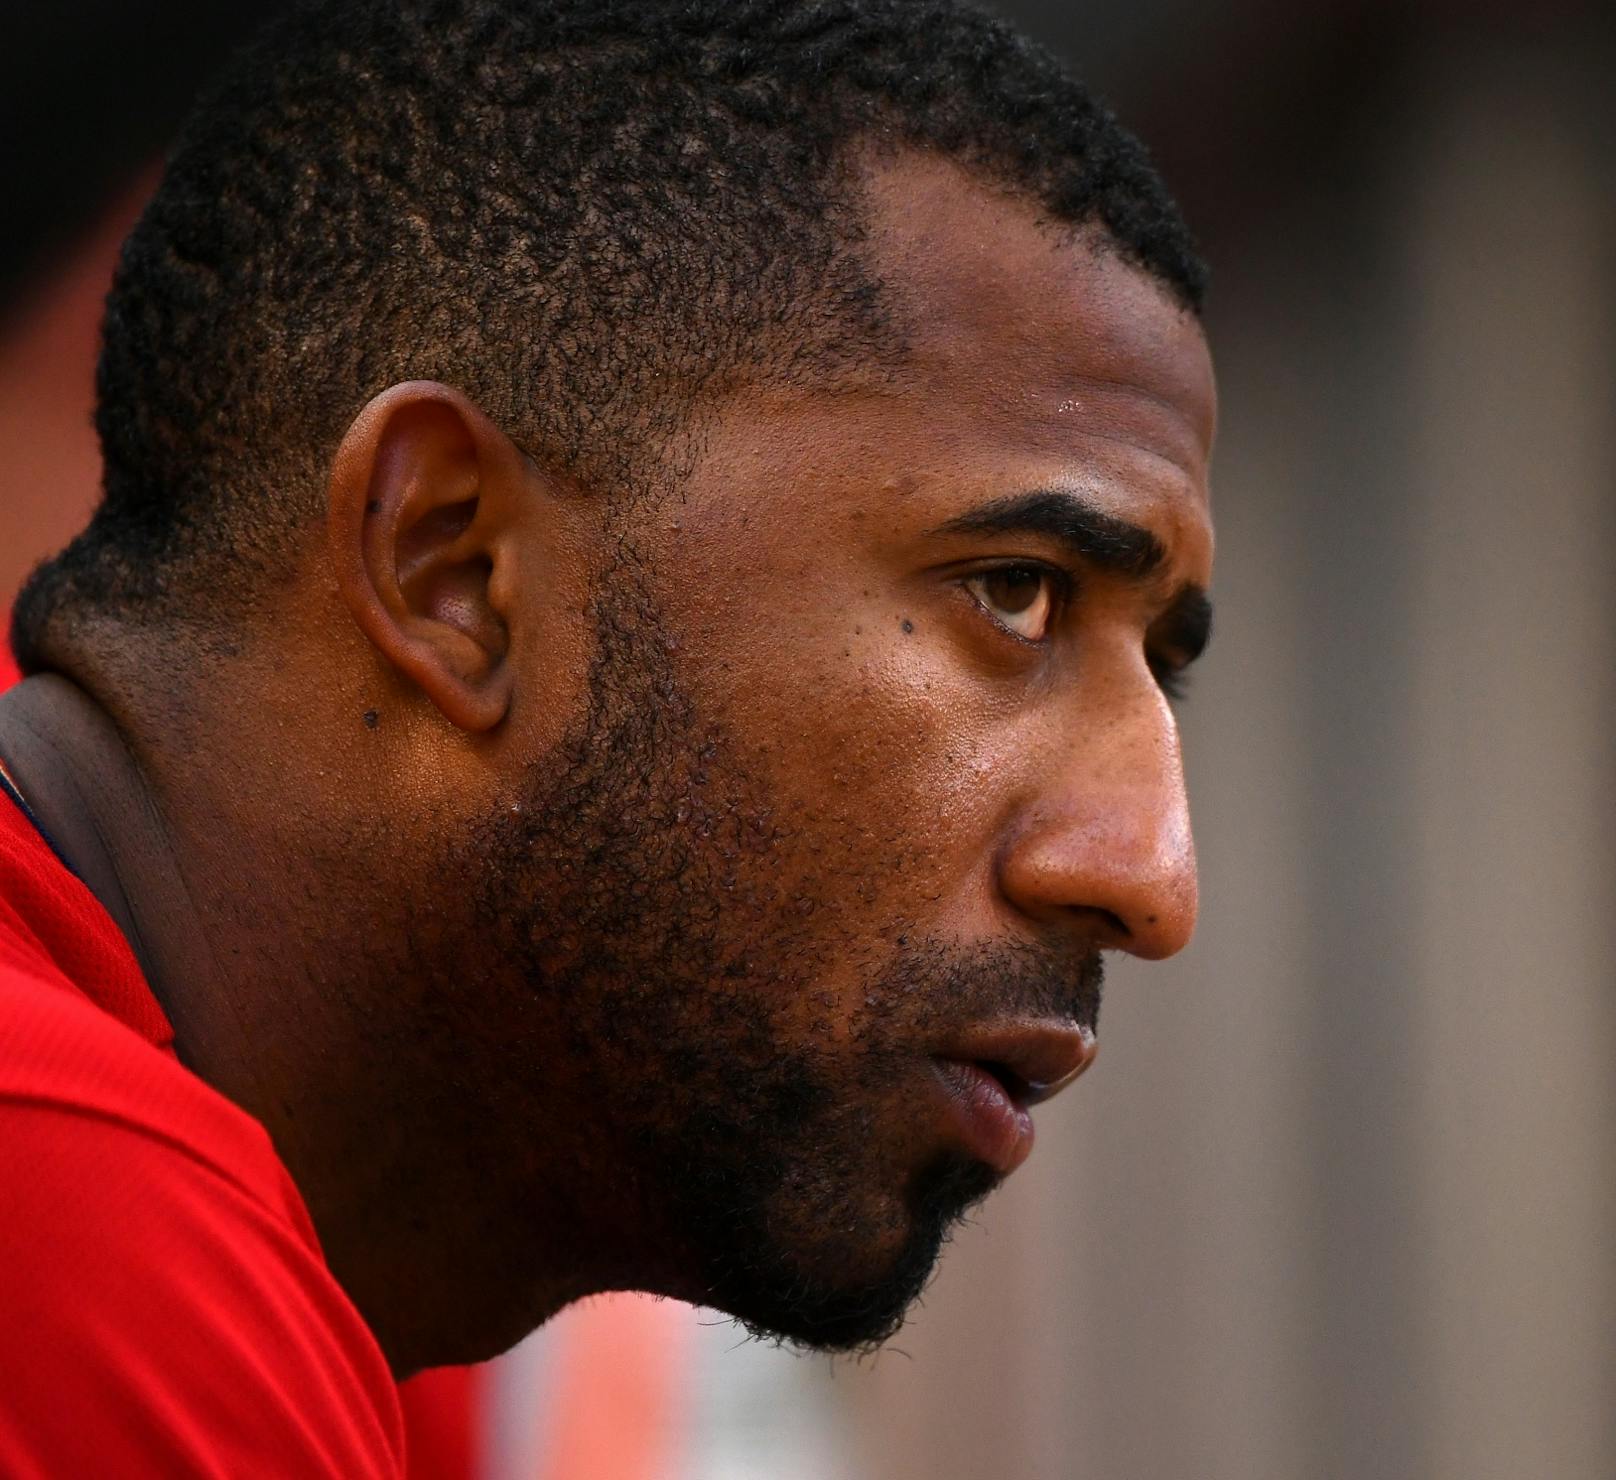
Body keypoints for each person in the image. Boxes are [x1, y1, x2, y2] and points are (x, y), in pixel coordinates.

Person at [0, 0, 1216, 1472]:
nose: (1151, 880)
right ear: (455, 569)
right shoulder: (82, 1234)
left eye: (1160, 670)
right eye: (1014, 596)